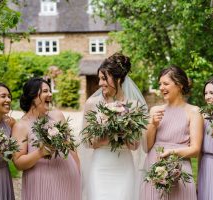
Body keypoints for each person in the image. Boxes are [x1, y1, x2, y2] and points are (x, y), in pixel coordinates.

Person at [81, 52, 147, 200]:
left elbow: (135, 145)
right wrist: (108, 133)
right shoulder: (92, 104)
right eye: (99, 79)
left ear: (118, 79)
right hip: (100, 167)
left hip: (124, 166)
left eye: (104, 78)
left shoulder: (135, 106)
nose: (100, 83)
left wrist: (123, 131)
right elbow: (86, 141)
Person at [12, 77, 81, 200]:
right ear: (32, 96)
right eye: (45, 91)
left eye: (49, 91)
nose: (50, 94)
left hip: (67, 175)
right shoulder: (21, 126)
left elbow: (70, 146)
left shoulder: (57, 115)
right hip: (41, 180)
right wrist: (40, 152)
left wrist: (78, 171)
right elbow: (18, 163)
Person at [141, 66, 203, 200]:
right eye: (160, 84)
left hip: (179, 171)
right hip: (154, 168)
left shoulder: (194, 112)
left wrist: (171, 152)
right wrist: (153, 124)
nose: (161, 88)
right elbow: (146, 146)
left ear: (179, 85)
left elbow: (195, 150)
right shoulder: (155, 110)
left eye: (166, 84)